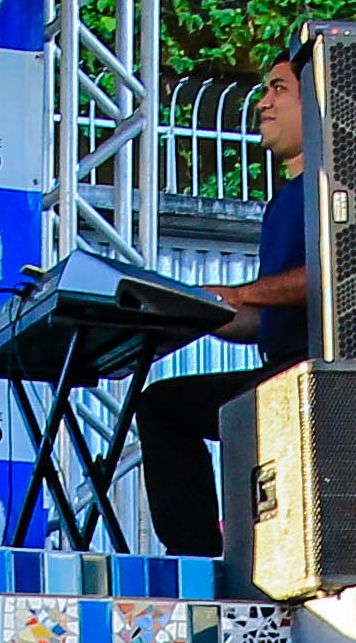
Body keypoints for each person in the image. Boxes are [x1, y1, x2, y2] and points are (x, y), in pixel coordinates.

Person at [125, 52, 311, 560]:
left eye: (279, 89)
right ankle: (197, 555)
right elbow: (263, 320)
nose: (263, 102)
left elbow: (333, 277)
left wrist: (242, 293)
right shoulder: (282, 202)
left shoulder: (332, 187)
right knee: (161, 404)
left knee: (165, 408)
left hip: (317, 373)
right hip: (281, 367)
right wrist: (202, 311)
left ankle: (196, 556)